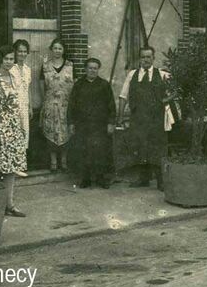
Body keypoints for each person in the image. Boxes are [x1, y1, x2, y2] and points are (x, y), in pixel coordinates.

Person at [118, 45, 175, 189]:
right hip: (138, 118)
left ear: (153, 58)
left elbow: (175, 91)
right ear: (140, 59)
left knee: (158, 148)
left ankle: (161, 181)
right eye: (143, 57)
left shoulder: (162, 74)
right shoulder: (132, 74)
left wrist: (164, 101)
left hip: (156, 118)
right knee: (140, 146)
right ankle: (143, 179)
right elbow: (123, 96)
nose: (146, 60)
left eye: (148, 57)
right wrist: (120, 116)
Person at [0, 45, 27, 217]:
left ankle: (9, 205)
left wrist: (20, 126)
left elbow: (17, 104)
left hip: (13, 126)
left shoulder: (13, 76)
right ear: (0, 59)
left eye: (11, 59)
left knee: (11, 168)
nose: (9, 62)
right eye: (6, 59)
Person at [68, 58, 116, 189]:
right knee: (84, 151)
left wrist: (111, 123)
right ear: (85, 69)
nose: (92, 70)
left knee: (100, 152)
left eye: (95, 68)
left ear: (98, 70)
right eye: (90, 68)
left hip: (100, 125)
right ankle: (85, 178)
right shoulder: (78, 85)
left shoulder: (104, 85)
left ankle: (101, 178)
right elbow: (72, 105)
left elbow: (111, 105)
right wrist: (71, 123)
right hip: (83, 125)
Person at [39, 38, 74, 173]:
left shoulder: (70, 65)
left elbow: (74, 84)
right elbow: (41, 85)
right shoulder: (46, 66)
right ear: (51, 49)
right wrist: (46, 101)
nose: (57, 51)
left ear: (63, 50)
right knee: (51, 132)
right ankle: (53, 162)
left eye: (60, 48)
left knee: (65, 133)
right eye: (55, 48)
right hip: (50, 105)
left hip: (66, 106)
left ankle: (63, 161)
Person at [10, 39, 33, 177]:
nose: (22, 54)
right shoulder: (10, 68)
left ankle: (20, 165)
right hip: (12, 106)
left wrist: (30, 107)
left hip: (24, 106)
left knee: (24, 134)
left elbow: (28, 88)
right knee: (13, 135)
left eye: (25, 51)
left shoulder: (27, 69)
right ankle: (11, 165)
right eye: (20, 51)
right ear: (15, 52)